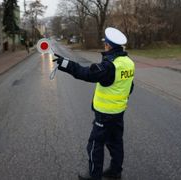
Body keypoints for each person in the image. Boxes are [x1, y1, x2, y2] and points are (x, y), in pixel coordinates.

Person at [53, 27, 135, 180]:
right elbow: (130, 87)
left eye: (105, 44)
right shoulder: (128, 62)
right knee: (115, 142)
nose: (104, 46)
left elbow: (86, 73)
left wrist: (65, 64)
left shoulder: (109, 66)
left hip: (104, 115)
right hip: (119, 112)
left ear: (108, 46)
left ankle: (94, 176)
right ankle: (116, 171)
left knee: (95, 145)